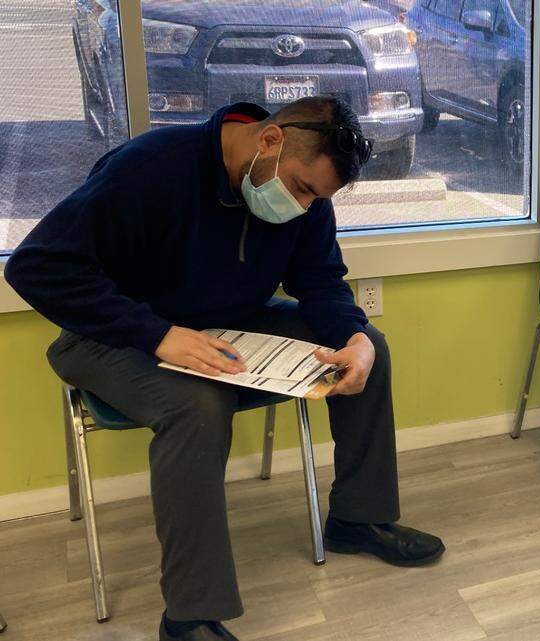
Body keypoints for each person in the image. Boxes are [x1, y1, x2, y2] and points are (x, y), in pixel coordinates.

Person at [4, 96, 445, 641]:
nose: (305, 208)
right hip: (112, 335)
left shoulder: (303, 194)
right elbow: (37, 267)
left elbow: (320, 282)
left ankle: (359, 519)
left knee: (366, 350)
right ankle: (188, 617)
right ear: (268, 141)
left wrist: (354, 337)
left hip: (226, 328)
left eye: (318, 199)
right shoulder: (152, 167)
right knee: (197, 404)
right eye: (304, 190)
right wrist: (158, 336)